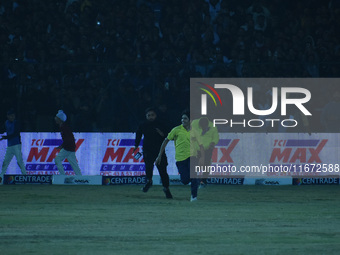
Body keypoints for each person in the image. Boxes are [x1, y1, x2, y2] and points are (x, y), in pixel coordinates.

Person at [155, 110, 200, 202]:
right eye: (182, 118)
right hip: (180, 158)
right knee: (185, 181)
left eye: (185, 118)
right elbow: (166, 140)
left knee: (194, 176)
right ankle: (195, 182)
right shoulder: (176, 130)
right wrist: (159, 155)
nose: (183, 120)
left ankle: (194, 196)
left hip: (193, 157)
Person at [134, 107, 172, 199]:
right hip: (147, 150)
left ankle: (166, 188)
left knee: (163, 171)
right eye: (149, 115)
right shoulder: (143, 124)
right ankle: (149, 181)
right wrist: (136, 145)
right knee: (148, 167)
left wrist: (162, 134)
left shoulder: (161, 124)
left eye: (152, 115)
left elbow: (168, 135)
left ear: (156, 115)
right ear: (146, 116)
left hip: (160, 151)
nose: (151, 117)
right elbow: (138, 134)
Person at [191, 117, 219, 188]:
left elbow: (216, 137)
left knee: (206, 165)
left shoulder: (213, 126)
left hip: (207, 149)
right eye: (202, 126)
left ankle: (203, 181)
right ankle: (194, 180)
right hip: (196, 149)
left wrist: (213, 143)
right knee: (194, 164)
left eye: (204, 126)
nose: (203, 127)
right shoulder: (194, 123)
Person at [54, 110, 82, 175]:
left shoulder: (64, 127)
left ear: (60, 119)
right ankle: (80, 177)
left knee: (57, 160)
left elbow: (68, 139)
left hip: (68, 148)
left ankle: (63, 176)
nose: (55, 119)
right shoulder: (63, 126)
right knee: (74, 164)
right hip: (70, 147)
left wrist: (62, 146)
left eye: (56, 117)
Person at [0, 109, 27, 175]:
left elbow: (15, 133)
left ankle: (25, 175)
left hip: (16, 145)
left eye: (13, 116)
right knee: (5, 162)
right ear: (8, 116)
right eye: (11, 116)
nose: (12, 117)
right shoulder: (6, 122)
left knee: (19, 161)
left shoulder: (16, 122)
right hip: (10, 146)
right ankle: (1, 177)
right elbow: (2, 130)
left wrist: (5, 137)